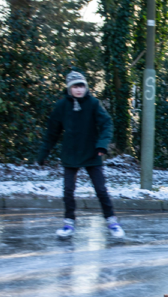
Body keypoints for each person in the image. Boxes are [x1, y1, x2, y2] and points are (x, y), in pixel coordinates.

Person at [37, 71, 125, 238]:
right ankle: (69, 223)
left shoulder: (93, 104)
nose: (78, 90)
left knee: (101, 189)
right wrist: (43, 154)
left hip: (92, 152)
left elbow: (107, 124)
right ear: (69, 88)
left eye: (81, 86)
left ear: (86, 87)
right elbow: (52, 133)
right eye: (75, 86)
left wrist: (101, 145)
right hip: (71, 154)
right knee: (68, 190)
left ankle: (112, 221)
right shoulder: (61, 107)